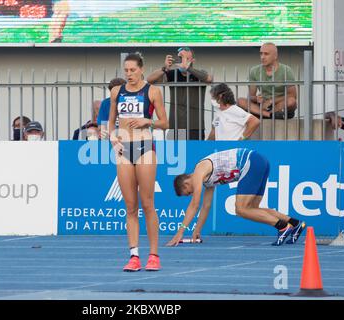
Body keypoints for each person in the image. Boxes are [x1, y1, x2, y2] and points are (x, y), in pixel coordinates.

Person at [167, 148, 306, 247]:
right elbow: (206, 206)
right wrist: (197, 230)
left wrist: (180, 232)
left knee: (240, 209)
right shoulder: (206, 181)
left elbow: (194, 204)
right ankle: (295, 223)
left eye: (188, 192)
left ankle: (282, 227)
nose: (191, 194)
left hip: (250, 162)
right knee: (251, 209)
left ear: (186, 183)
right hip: (259, 161)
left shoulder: (198, 171)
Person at [109, 52, 169, 271]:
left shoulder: (152, 91)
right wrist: (112, 138)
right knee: (130, 206)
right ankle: (134, 255)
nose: (129, 74)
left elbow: (165, 122)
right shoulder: (117, 91)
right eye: (126, 70)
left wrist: (148, 121)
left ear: (141, 69)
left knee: (148, 204)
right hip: (124, 149)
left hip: (145, 148)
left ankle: (154, 255)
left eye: (132, 70)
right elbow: (111, 121)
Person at [147, 47, 213, 140]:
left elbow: (209, 79)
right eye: (181, 58)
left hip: (195, 126)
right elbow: (150, 80)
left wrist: (188, 68)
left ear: (192, 60)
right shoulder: (172, 74)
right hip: (175, 125)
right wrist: (164, 68)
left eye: (186, 58)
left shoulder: (198, 74)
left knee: (193, 153)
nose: (183, 61)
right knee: (174, 153)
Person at [237, 43, 297, 119]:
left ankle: (269, 114)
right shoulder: (254, 71)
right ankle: (270, 115)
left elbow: (293, 95)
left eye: (266, 54)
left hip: (280, 105)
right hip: (263, 106)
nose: (262, 57)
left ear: (275, 56)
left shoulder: (286, 70)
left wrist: (271, 101)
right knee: (240, 101)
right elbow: (251, 96)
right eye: (261, 54)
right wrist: (257, 99)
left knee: (291, 101)